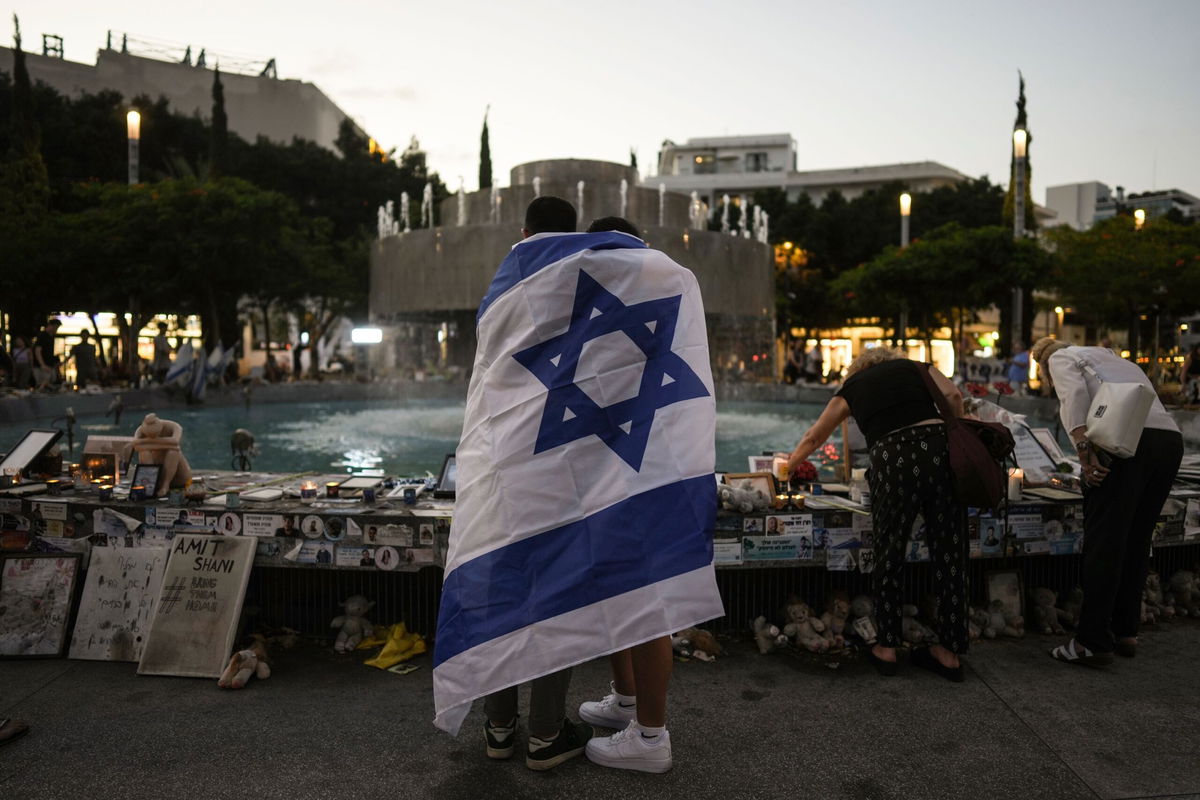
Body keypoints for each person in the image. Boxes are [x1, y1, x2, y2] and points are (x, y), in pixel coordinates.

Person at [574, 215, 715, 774]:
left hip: (645, 469)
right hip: (627, 462)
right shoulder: (669, 282)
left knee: (646, 600)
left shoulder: (633, 294)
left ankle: (652, 738)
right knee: (617, 590)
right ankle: (627, 702)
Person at [785, 346, 970, 681]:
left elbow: (815, 436)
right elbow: (954, 395)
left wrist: (788, 466)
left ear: (858, 369)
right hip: (937, 452)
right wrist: (956, 430)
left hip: (892, 458)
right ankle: (950, 652)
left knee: (890, 550)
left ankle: (886, 648)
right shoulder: (916, 367)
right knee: (950, 552)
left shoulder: (853, 387)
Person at [1030, 337, 1183, 666]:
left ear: (1042, 364)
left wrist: (1084, 454)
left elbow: (1074, 398)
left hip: (1124, 444)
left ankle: (1092, 641)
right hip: (1169, 442)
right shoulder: (1114, 359)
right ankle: (1126, 631)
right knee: (1137, 540)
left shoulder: (1060, 358)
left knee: (1105, 542)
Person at [33, 319, 62, 391]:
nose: (56, 330)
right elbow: (37, 350)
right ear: (50, 326)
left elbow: (50, 353)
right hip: (41, 366)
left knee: (51, 381)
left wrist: (56, 362)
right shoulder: (42, 335)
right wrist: (42, 364)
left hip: (49, 365)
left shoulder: (51, 337)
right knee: (42, 384)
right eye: (55, 327)